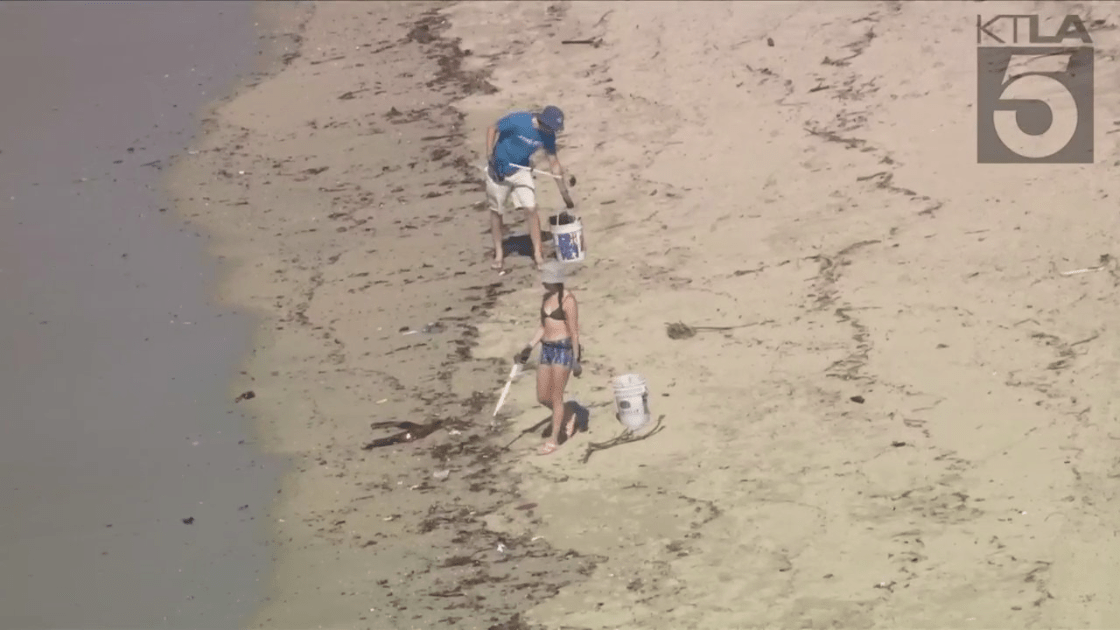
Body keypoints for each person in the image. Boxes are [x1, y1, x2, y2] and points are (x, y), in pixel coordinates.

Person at [485, 105, 575, 275]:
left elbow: (554, 164)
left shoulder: (548, 136)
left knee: (531, 209)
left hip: (521, 170)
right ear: (542, 121)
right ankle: (499, 254)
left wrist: (565, 194)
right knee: (497, 212)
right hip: (498, 170)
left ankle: (538, 255)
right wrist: (490, 155)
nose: (551, 131)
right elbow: (492, 128)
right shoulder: (519, 120)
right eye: (550, 127)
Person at [516, 261, 582, 455]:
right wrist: (529, 346)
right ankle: (569, 415)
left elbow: (574, 332)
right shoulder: (546, 298)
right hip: (546, 348)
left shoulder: (568, 300)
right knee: (543, 396)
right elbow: (543, 326)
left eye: (547, 280)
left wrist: (576, 359)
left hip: (563, 349)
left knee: (556, 396)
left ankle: (554, 439)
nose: (544, 284)